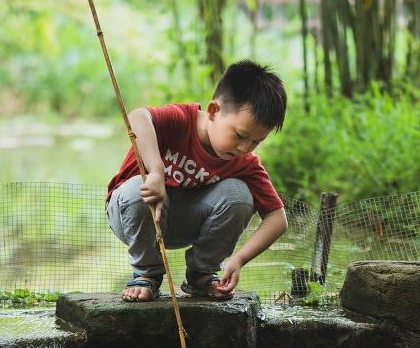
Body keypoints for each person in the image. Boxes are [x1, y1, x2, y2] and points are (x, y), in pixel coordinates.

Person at [105, 60, 289, 301]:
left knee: (240, 195)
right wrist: (156, 171)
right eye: (240, 135)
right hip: (133, 215)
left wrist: (239, 259)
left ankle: (201, 275)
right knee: (137, 191)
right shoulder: (182, 119)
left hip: (182, 223)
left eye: (256, 141)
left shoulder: (244, 162)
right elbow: (138, 117)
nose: (245, 147)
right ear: (213, 111)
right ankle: (146, 274)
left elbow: (278, 218)